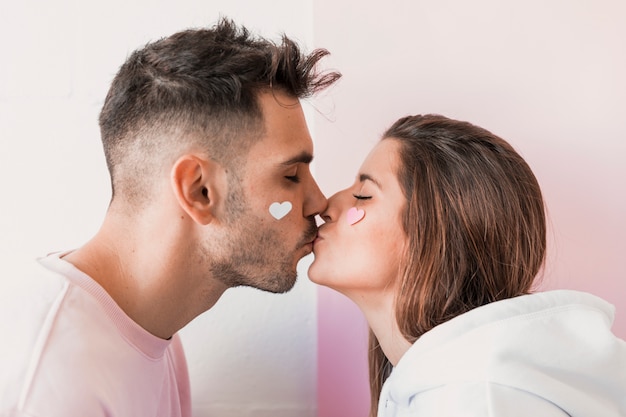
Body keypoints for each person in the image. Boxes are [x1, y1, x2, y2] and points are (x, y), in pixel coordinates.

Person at [0, 18, 340, 417]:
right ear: (199, 190)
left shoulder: (158, 337)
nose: (319, 202)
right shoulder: (51, 379)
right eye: (290, 176)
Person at [309, 114, 626, 417]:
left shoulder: (476, 400)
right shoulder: (443, 386)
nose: (328, 205)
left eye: (364, 195)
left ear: (435, 232)